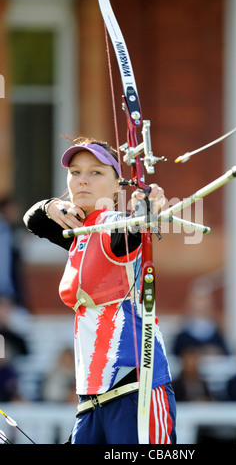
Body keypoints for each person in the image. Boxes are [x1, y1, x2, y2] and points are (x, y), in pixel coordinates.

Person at [23, 138, 176, 444]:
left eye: (95, 173)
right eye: (75, 172)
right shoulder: (81, 231)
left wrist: (147, 206)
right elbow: (33, 220)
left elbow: (130, 229)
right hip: (92, 399)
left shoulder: (111, 226)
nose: (82, 180)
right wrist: (52, 206)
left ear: (117, 185)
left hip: (134, 390)